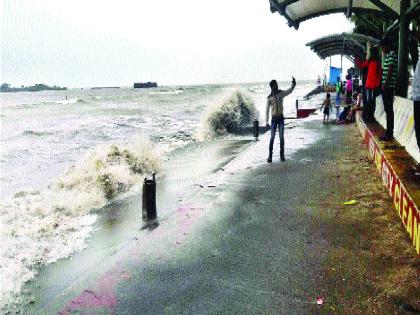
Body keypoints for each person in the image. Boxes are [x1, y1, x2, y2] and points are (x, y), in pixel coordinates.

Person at [266, 77, 296, 163]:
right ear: (272, 87)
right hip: (274, 120)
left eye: (277, 85)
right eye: (275, 86)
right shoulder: (269, 98)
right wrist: (266, 121)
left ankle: (282, 155)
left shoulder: (281, 93)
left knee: (281, 137)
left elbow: (289, 91)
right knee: (272, 138)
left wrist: (293, 84)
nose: (277, 87)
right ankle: (270, 156)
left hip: (281, 118)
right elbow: (267, 110)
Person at [356, 44, 382, 123]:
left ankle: (369, 116)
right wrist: (357, 60)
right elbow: (362, 65)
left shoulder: (373, 62)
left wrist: (357, 60)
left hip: (370, 85)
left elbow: (379, 74)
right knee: (370, 101)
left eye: (371, 52)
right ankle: (370, 116)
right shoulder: (374, 62)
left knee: (369, 101)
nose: (371, 54)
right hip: (371, 85)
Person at [379, 38, 398, 141]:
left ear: (387, 45)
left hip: (388, 87)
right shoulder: (388, 56)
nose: (382, 49)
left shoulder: (391, 55)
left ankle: (389, 133)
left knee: (389, 110)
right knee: (388, 110)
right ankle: (388, 132)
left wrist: (385, 84)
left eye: (383, 47)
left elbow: (390, 69)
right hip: (387, 86)